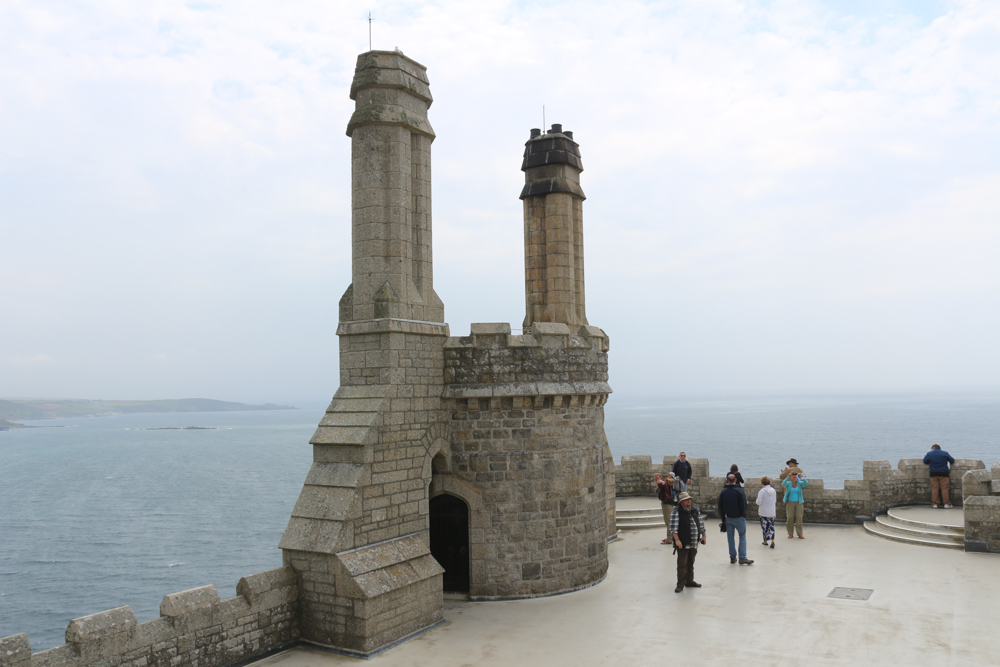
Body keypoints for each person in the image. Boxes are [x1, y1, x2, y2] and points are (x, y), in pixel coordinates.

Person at [669, 491, 707, 593]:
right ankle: (680, 584)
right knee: (682, 564)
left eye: (689, 499)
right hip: (683, 542)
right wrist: (677, 540)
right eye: (686, 500)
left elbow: (701, 524)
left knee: (691, 562)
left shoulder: (695, 510)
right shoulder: (676, 512)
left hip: (694, 542)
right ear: (681, 502)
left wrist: (704, 536)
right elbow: (673, 529)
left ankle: (689, 581)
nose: (689, 501)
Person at [718, 473, 754, 565]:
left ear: (727, 481)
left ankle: (732, 557)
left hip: (728, 518)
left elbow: (720, 507)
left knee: (730, 538)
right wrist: (743, 515)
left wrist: (723, 519)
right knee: (742, 536)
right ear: (736, 480)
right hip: (739, 518)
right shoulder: (739, 491)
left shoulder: (723, 492)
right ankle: (742, 557)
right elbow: (744, 505)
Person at [923, 444, 955, 509]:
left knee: (935, 488)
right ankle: (946, 504)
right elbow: (952, 460)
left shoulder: (929, 453)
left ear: (933, 448)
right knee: (944, 488)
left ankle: (934, 504)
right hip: (944, 473)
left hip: (933, 473)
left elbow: (925, 461)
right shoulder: (945, 453)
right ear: (939, 448)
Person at [782, 470, 809, 538]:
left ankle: (800, 533)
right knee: (790, 517)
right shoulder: (788, 483)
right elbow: (783, 483)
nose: (794, 477)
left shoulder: (799, 483)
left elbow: (806, 482)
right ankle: (790, 533)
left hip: (799, 502)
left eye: (795, 476)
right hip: (790, 502)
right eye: (793, 476)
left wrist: (800, 475)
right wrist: (788, 476)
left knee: (799, 517)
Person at [654, 473, 679, 544]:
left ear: (661, 478)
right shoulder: (660, 485)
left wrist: (661, 482)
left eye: (658, 478)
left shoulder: (664, 483)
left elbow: (664, 485)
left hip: (667, 504)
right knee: (667, 521)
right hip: (665, 504)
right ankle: (670, 537)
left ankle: (670, 539)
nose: (657, 480)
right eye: (655, 478)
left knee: (669, 521)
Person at [755, 477, 777, 548]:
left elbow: (759, 502)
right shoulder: (773, 490)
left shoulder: (762, 491)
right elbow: (775, 500)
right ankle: (772, 540)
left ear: (762, 483)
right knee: (771, 526)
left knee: (764, 527)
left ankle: (765, 541)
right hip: (771, 511)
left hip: (764, 511)